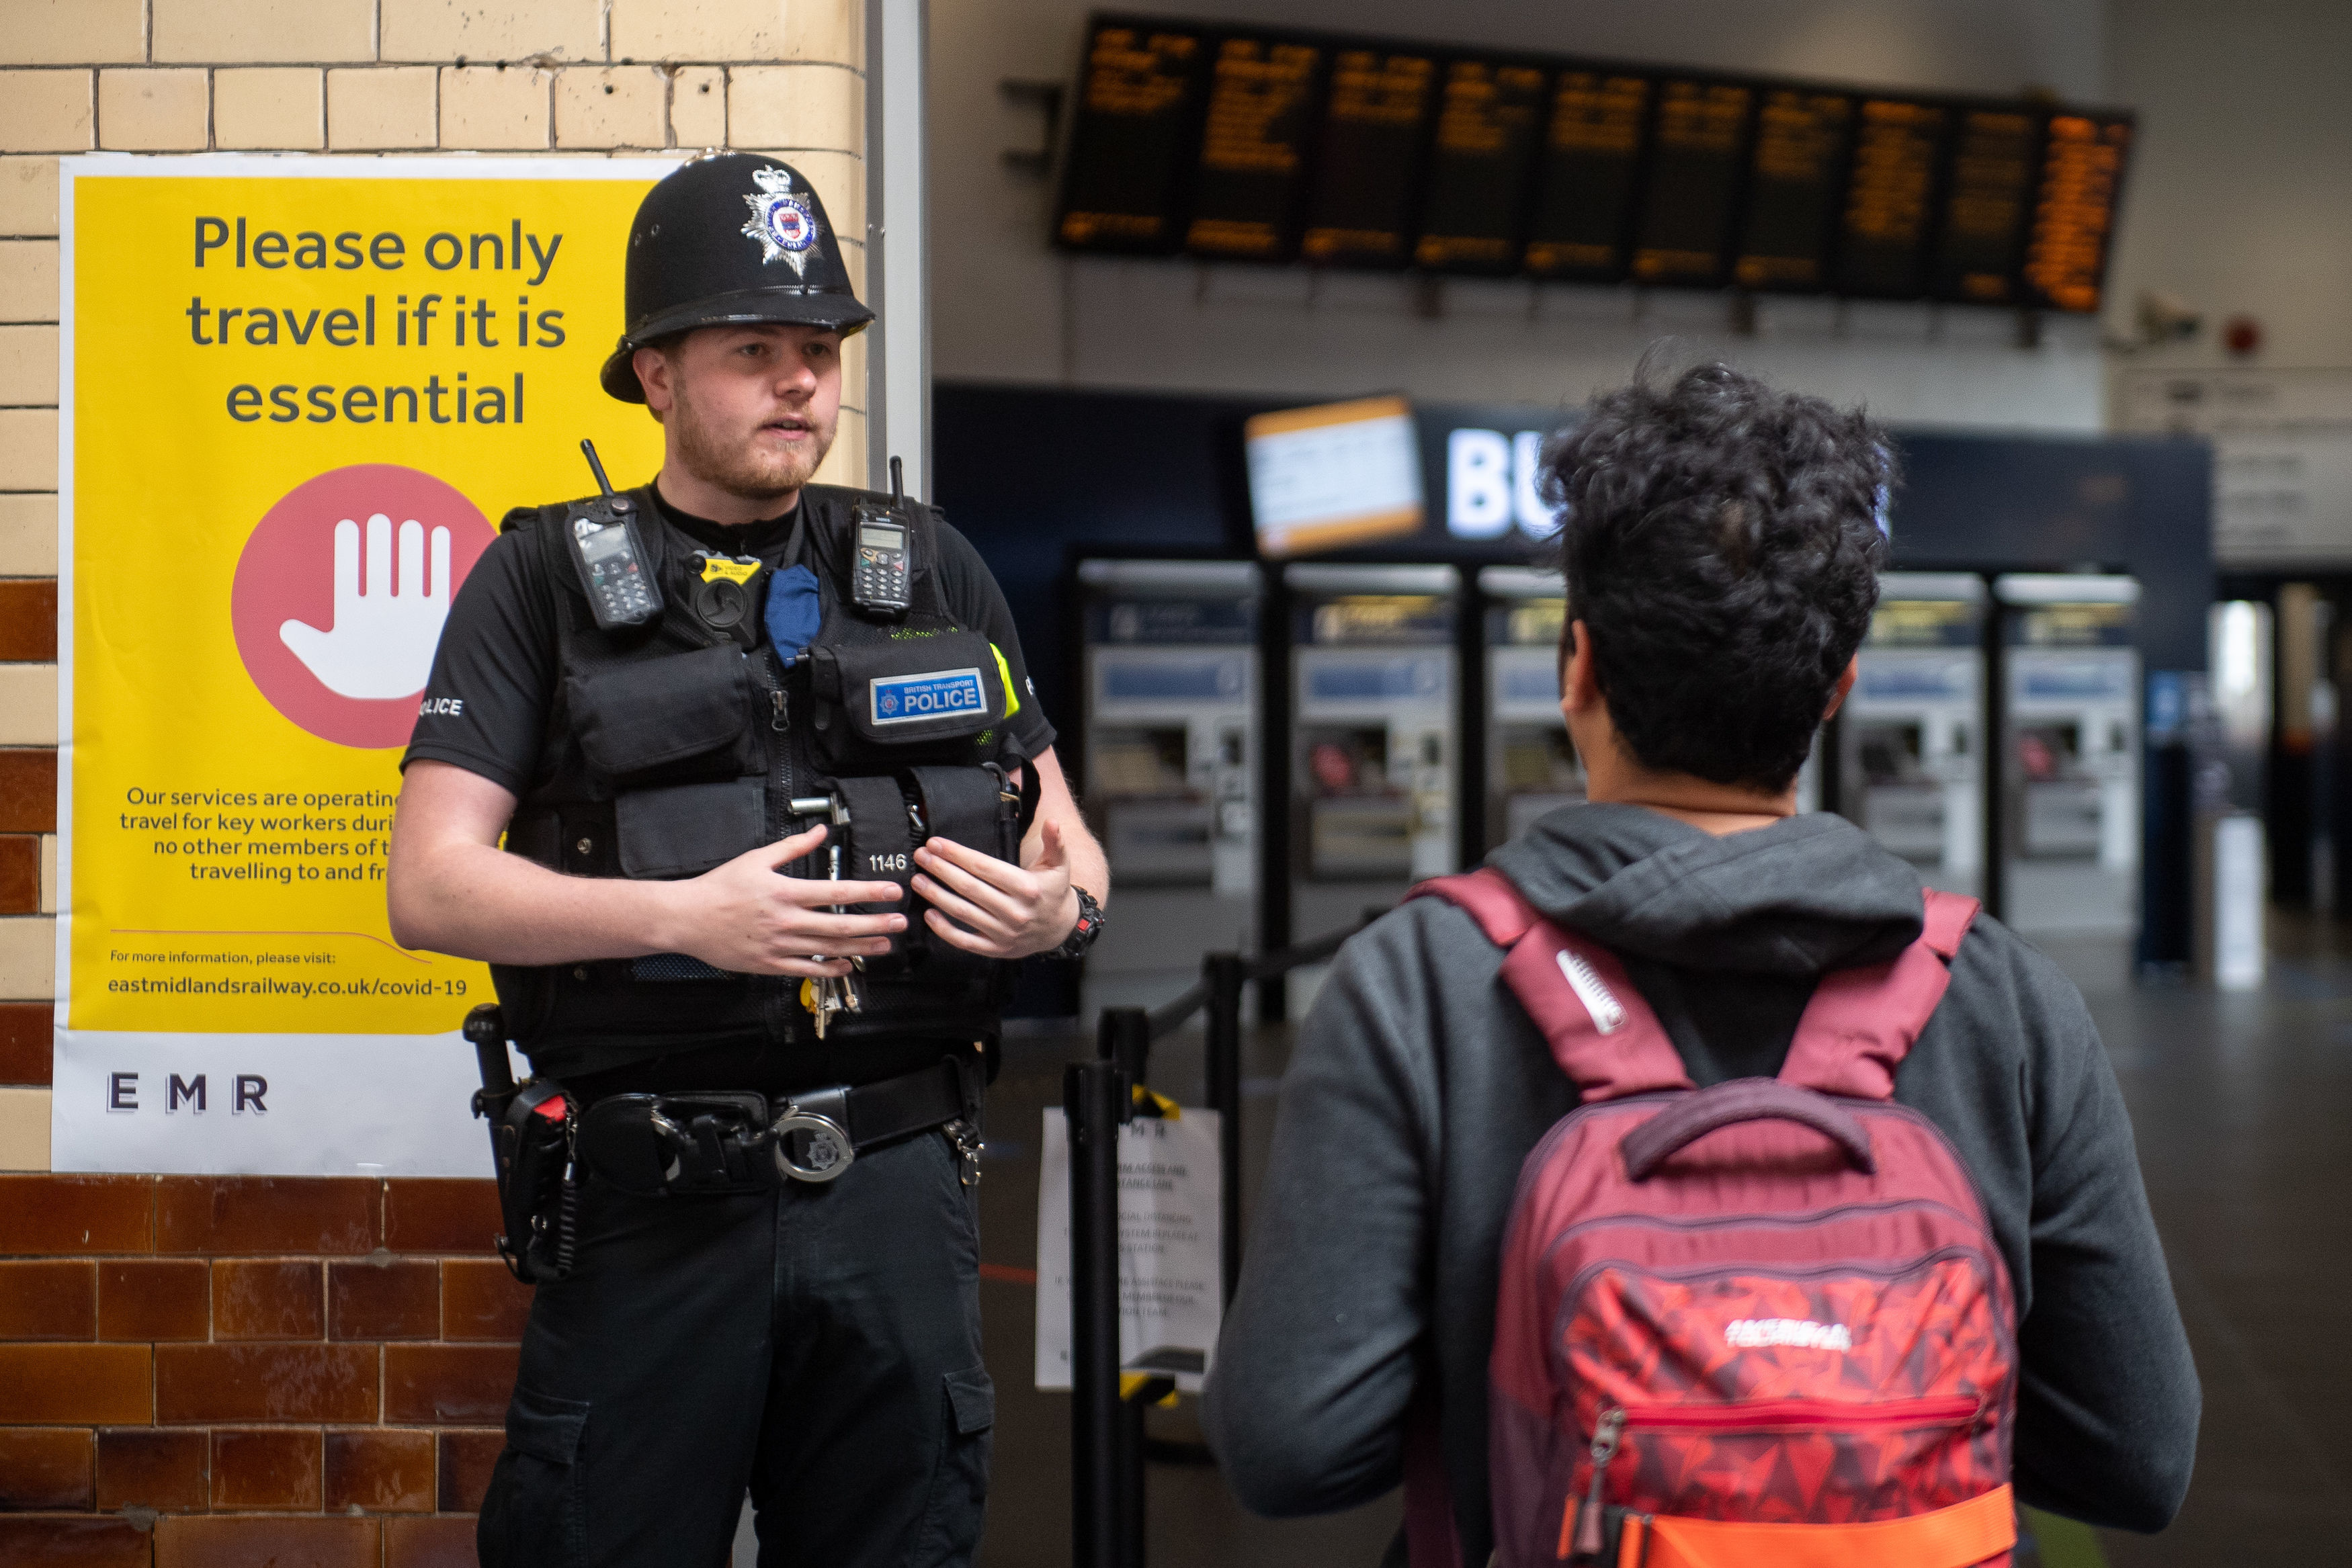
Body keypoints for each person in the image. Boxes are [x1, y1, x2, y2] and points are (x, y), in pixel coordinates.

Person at [1200, 364, 2199, 1561]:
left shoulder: (1420, 981)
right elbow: (2138, 1456)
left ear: (1579, 669)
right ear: (1837, 690)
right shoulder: (2002, 995)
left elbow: (1290, 1447)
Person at [386, 153, 1109, 1568]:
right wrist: (685, 915)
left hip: (901, 1186)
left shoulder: (930, 565)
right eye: (753, 353)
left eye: (820, 352)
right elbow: (431, 886)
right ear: (655, 377)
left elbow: (1067, 846)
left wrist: (1048, 913)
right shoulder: (537, 581)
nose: (801, 384)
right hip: (655, 1197)